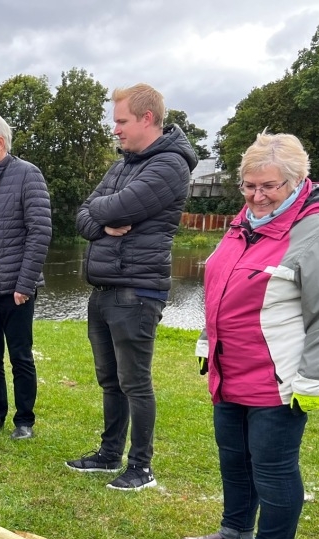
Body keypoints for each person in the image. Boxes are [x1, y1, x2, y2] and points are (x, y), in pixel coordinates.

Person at [183, 132, 319, 539]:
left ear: (297, 182)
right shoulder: (245, 222)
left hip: (279, 378)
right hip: (230, 369)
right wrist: (207, 342)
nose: (257, 196)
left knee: (273, 465)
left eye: (269, 187)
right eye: (249, 185)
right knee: (233, 457)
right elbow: (221, 288)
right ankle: (235, 529)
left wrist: (315, 382)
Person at [66, 83, 197, 491]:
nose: (116, 130)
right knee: (110, 379)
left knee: (134, 381)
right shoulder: (123, 164)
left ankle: (141, 466)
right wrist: (101, 222)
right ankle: (109, 454)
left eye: (121, 121)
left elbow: (110, 207)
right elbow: (82, 215)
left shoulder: (171, 165)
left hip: (137, 291)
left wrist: (100, 214)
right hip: (105, 288)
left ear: (146, 118)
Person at [0, 109, 52, 441]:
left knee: (20, 355)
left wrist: (25, 283)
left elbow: (40, 232)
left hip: (16, 287)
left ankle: (25, 420)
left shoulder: (28, 175)